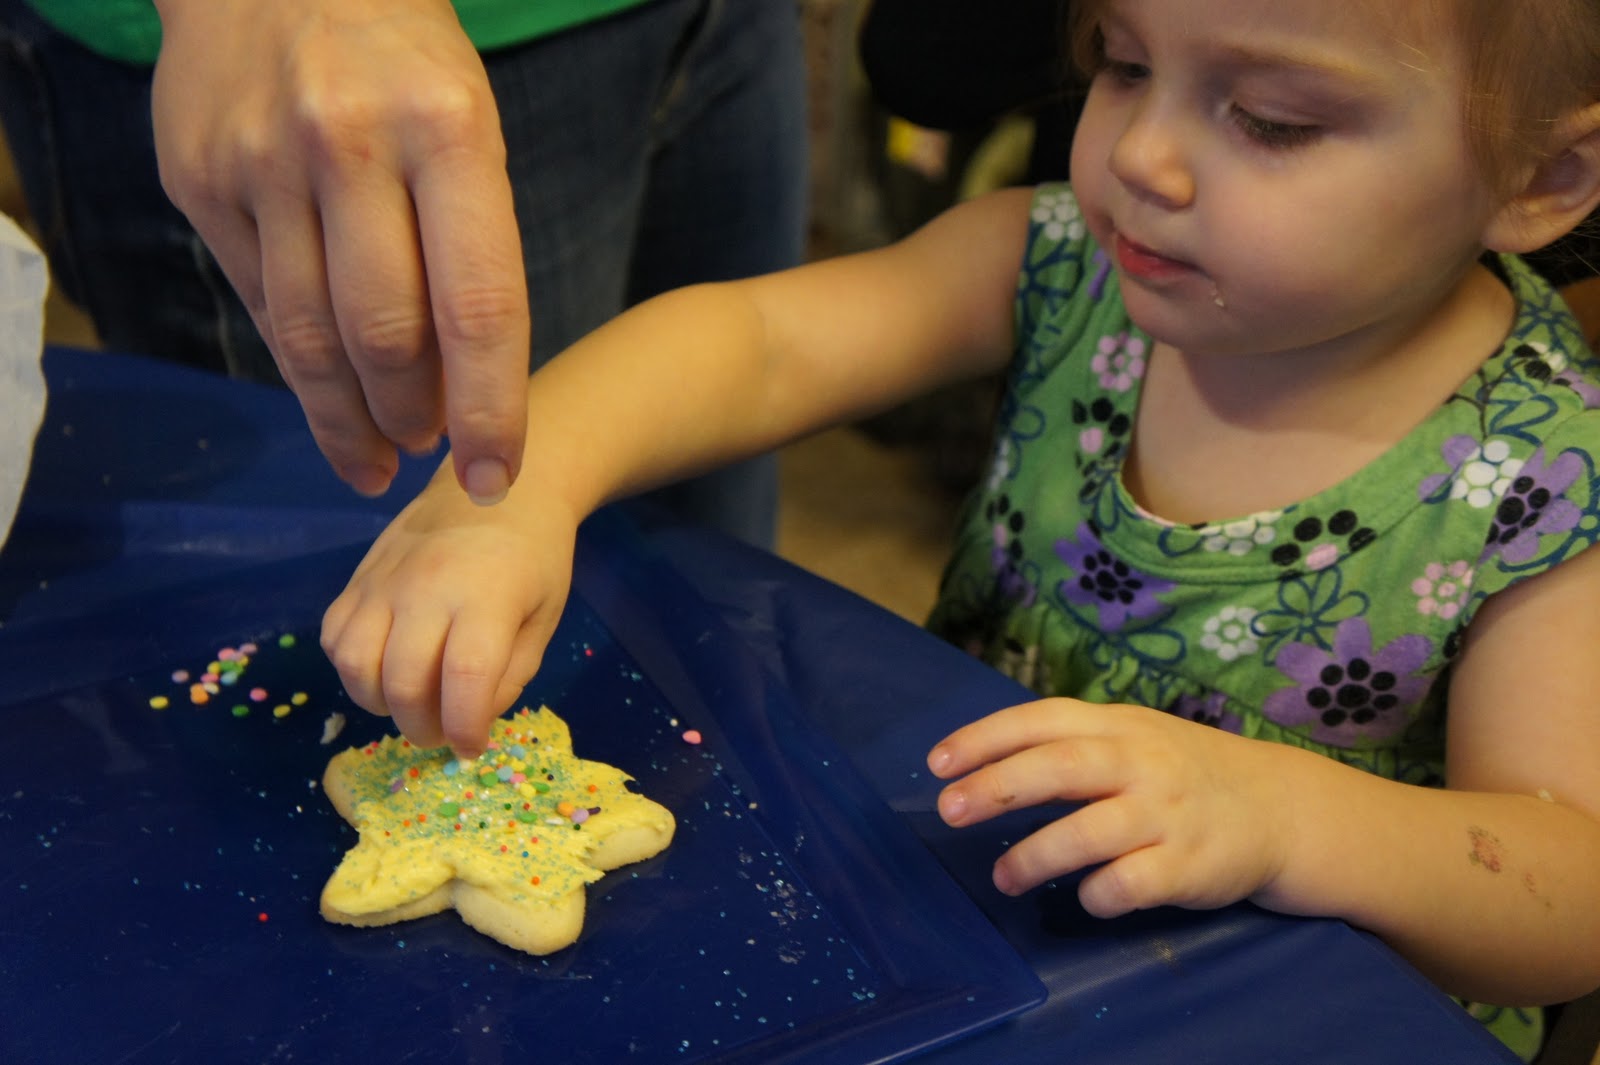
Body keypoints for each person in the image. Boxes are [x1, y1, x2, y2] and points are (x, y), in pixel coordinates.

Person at [321, 0, 1600, 1057]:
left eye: (1272, 119)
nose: (1143, 156)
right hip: (967, 939)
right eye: (1124, 63)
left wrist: (1283, 821)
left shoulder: (1545, 477)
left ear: (1544, 177)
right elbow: (757, 344)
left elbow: (1569, 888)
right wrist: (516, 494)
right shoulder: (1065, 268)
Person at [0, 0, 807, 544]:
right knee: (365, 629)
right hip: (341, 80)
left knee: (709, 607)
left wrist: (567, 454)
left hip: (726, 26)